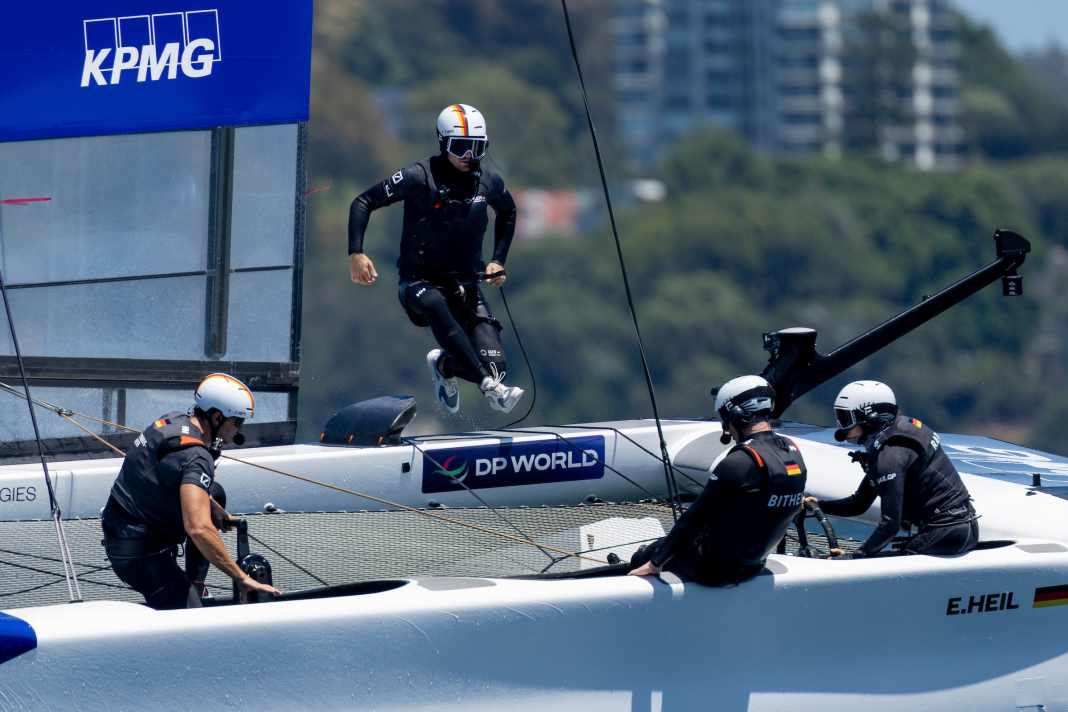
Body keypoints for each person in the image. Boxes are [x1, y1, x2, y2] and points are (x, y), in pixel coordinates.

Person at [347, 103, 523, 414]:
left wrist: (498, 260)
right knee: (434, 304)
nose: (468, 156)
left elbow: (508, 211)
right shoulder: (418, 176)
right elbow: (363, 201)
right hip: (419, 284)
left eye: (476, 148)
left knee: (497, 367)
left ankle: (444, 366)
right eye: (460, 147)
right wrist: (356, 253)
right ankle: (488, 386)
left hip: (467, 287)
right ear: (443, 143)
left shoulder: (489, 181)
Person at [101, 373, 281, 609]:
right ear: (217, 417)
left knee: (213, 493)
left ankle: (195, 584)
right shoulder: (197, 457)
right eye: (237, 422)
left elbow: (165, 472)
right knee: (191, 617)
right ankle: (183, 594)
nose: (238, 431)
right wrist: (241, 578)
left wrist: (211, 505)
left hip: (119, 530)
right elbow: (198, 528)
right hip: (140, 554)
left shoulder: (172, 420)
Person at [629, 375, 808, 585]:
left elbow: (695, 518)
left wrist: (655, 562)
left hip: (713, 571)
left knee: (644, 555)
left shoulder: (739, 462)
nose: (727, 427)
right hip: (754, 565)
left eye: (725, 418)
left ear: (736, 415)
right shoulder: (792, 451)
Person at [806, 380, 979, 557]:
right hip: (957, 526)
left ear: (871, 418)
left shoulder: (890, 455)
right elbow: (858, 504)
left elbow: (890, 524)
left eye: (845, 419)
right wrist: (817, 506)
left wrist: (853, 557)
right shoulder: (894, 438)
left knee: (893, 558)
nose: (841, 428)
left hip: (948, 530)